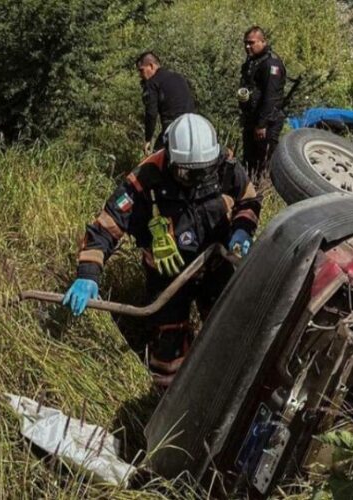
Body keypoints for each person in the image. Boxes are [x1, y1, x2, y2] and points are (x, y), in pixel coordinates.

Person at [63, 113, 261, 387]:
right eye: (186, 173)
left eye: (202, 170)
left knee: (230, 333)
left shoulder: (224, 166)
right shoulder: (145, 181)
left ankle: (227, 387)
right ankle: (172, 406)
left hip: (216, 267)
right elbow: (105, 228)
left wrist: (242, 229)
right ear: (170, 158)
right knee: (169, 354)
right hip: (168, 280)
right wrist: (88, 273)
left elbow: (248, 201)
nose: (195, 179)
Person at [238, 26, 286, 182]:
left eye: (251, 43)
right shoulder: (253, 62)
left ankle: (263, 193)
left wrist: (262, 124)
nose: (247, 46)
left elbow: (271, 97)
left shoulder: (271, 64)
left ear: (263, 41)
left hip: (267, 122)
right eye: (245, 43)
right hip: (252, 119)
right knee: (249, 162)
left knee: (263, 163)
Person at [136, 51, 196, 154]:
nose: (140, 75)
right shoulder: (178, 77)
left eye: (141, 70)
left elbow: (151, 113)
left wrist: (148, 139)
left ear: (151, 66)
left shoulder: (152, 83)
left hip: (173, 129)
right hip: (193, 126)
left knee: (154, 162)